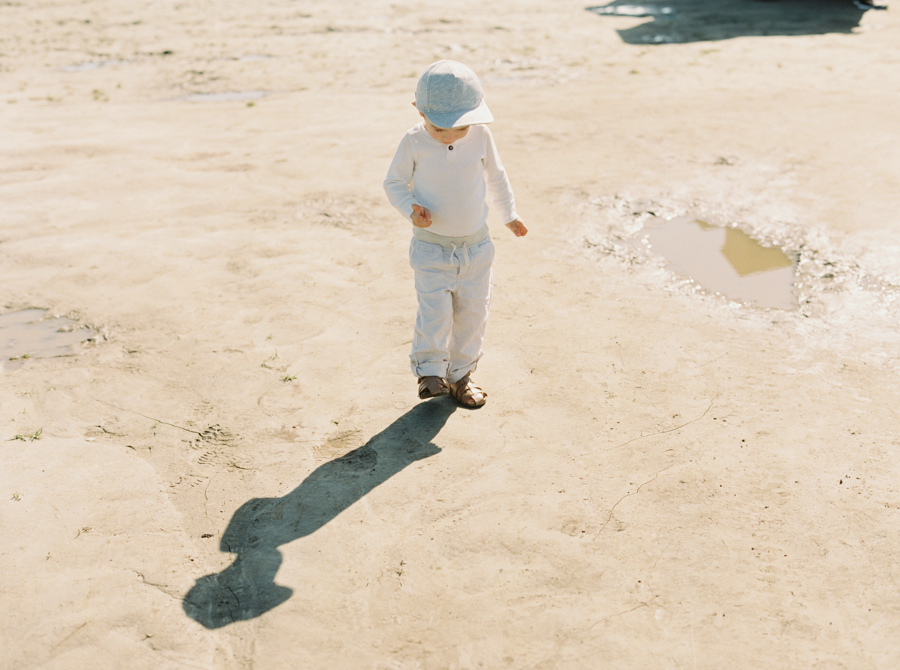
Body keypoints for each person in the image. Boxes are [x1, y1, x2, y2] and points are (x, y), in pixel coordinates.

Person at [383, 60, 527, 408]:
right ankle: (430, 371)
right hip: (432, 250)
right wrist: (411, 207)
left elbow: (496, 176)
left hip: (476, 248)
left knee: (472, 314)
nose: (449, 136)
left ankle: (461, 375)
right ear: (418, 110)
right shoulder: (413, 141)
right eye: (439, 128)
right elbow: (394, 183)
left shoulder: (481, 135)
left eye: (458, 128)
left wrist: (509, 215)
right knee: (434, 312)